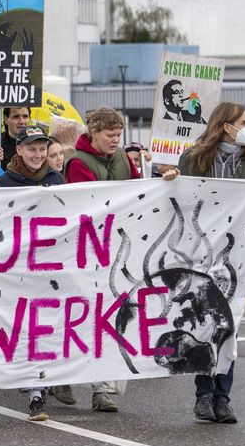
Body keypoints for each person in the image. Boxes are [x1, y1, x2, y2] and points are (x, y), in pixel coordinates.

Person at [56, 107, 178, 413]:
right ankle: (60, 374)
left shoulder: (122, 158)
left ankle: (105, 389)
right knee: (83, 317)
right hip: (88, 252)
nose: (115, 140)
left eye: (119, 135)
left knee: (116, 319)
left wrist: (161, 180)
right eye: (110, 135)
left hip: (121, 250)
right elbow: (87, 200)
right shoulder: (76, 162)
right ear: (93, 133)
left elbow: (139, 193)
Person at [178, 102, 245, 426]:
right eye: (243, 121)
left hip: (234, 258)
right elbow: (183, 199)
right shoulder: (193, 159)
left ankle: (223, 397)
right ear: (226, 125)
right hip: (203, 253)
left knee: (230, 326)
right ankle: (203, 395)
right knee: (205, 323)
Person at [0, 125, 63, 421]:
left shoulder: (57, 178)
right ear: (18, 150)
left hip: (48, 266)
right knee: (18, 324)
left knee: (42, 326)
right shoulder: (5, 182)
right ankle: (23, 374)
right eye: (31, 148)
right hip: (15, 267)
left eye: (42, 148)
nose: (37, 154)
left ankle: (37, 393)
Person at [0, 106, 32, 170]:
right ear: (5, 119)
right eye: (16, 116)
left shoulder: (39, 145)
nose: (22, 121)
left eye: (25, 116)